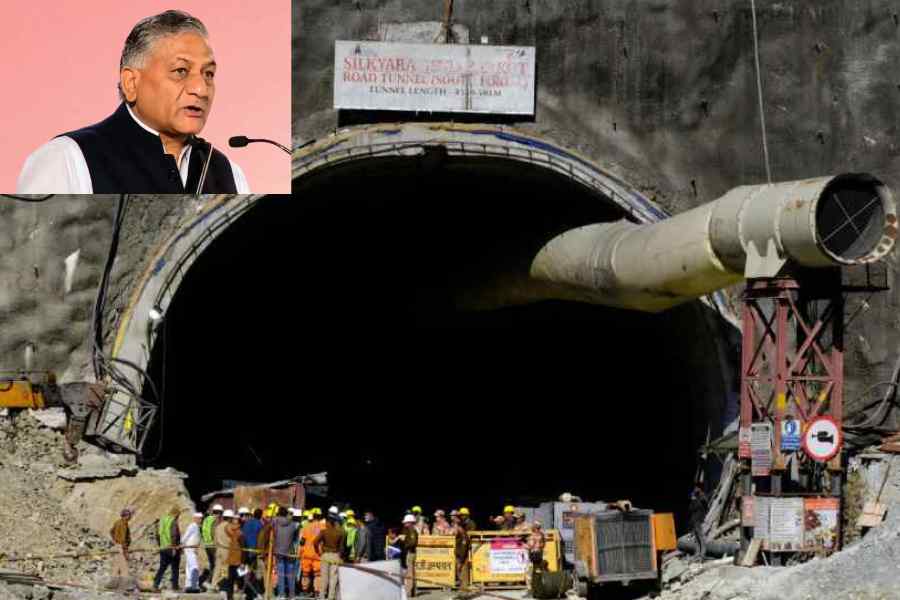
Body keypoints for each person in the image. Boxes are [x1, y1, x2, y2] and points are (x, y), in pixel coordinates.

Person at [16, 10, 250, 194]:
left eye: (208, 74)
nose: (200, 89)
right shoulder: (68, 159)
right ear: (131, 83)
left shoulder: (229, 174)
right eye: (181, 71)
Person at [314, 516, 346, 600]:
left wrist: (317, 551)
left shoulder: (324, 532)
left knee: (324, 577)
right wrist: (340, 555)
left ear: (328, 523)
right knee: (333, 578)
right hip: (335, 556)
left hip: (325, 555)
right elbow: (342, 547)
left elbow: (315, 542)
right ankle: (330, 597)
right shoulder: (340, 533)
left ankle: (322, 596)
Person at [271, 506, 299, 599]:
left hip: (279, 551)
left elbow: (271, 524)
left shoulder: (275, 522)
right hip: (290, 552)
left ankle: (281, 594)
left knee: (281, 574)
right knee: (290, 574)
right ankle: (292, 595)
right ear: (287, 513)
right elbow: (295, 537)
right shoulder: (293, 524)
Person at [153, 507, 182, 592]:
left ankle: (155, 584)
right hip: (171, 547)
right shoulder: (173, 521)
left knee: (162, 567)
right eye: (178, 515)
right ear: (176, 514)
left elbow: (158, 534)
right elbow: (174, 535)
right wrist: (174, 547)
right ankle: (175, 586)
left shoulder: (162, 520)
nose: (178, 517)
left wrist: (160, 545)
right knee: (175, 567)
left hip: (163, 547)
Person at [107, 508, 133, 591]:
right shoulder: (123, 524)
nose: (130, 517)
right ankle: (125, 586)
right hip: (121, 547)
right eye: (129, 515)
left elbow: (111, 531)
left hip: (117, 545)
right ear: (126, 516)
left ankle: (113, 583)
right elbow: (123, 539)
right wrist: (125, 551)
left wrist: (115, 540)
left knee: (117, 565)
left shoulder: (117, 522)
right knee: (124, 566)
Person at [300, 508, 325, 596]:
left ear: (313, 516)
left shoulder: (306, 526)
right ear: (320, 516)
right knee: (318, 574)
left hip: (307, 553)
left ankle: (305, 590)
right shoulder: (323, 527)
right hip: (318, 554)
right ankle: (317, 591)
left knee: (305, 574)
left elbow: (302, 541)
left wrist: (300, 552)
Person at [200, 504, 223, 588]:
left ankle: (209, 582)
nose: (220, 516)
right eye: (220, 513)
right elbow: (214, 532)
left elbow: (203, 531)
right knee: (216, 565)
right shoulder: (215, 520)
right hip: (213, 545)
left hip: (207, 545)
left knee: (212, 565)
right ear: (219, 513)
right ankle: (209, 581)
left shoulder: (206, 519)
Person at [224, 510, 244, 600]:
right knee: (240, 578)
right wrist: (244, 561)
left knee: (231, 581)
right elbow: (244, 548)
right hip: (238, 560)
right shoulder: (240, 533)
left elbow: (226, 529)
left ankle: (230, 597)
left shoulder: (231, 531)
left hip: (232, 560)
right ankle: (241, 593)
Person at [182, 512, 203, 593]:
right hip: (189, 549)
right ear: (195, 518)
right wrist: (182, 543)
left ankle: (188, 585)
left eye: (201, 519)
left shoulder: (196, 526)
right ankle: (194, 586)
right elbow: (186, 536)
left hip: (192, 549)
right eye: (199, 518)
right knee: (194, 567)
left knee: (189, 567)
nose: (200, 520)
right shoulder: (193, 526)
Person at [399, 514, 419, 597]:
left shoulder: (412, 530)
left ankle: (409, 592)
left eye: (406, 522)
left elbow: (413, 542)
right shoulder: (410, 530)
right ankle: (412, 592)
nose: (404, 524)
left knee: (410, 573)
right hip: (410, 552)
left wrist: (405, 544)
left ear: (410, 522)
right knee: (411, 572)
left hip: (410, 553)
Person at [214, 509, 235, 589]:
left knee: (217, 569)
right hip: (226, 550)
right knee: (225, 569)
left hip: (219, 550)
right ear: (230, 518)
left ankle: (214, 585)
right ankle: (223, 586)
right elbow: (232, 539)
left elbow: (215, 540)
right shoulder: (229, 526)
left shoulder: (218, 526)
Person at [525, 521, 546, 590]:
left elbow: (530, 546)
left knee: (530, 571)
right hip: (537, 554)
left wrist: (524, 545)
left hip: (534, 555)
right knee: (536, 570)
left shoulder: (532, 535)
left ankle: (531, 587)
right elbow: (543, 545)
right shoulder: (541, 535)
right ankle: (537, 585)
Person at [689, 486, 709, 561]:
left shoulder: (700, 500)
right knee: (697, 539)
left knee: (700, 538)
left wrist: (694, 500)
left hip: (698, 521)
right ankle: (697, 554)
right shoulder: (697, 500)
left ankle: (702, 555)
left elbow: (692, 509)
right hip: (695, 521)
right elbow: (690, 509)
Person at [454, 515, 472, 590]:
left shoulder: (464, 537)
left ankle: (464, 592)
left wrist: (461, 562)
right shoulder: (460, 536)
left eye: (457, 527)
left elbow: (464, 550)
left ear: (460, 527)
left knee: (463, 575)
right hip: (459, 558)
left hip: (462, 559)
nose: (456, 529)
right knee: (460, 576)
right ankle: (462, 590)